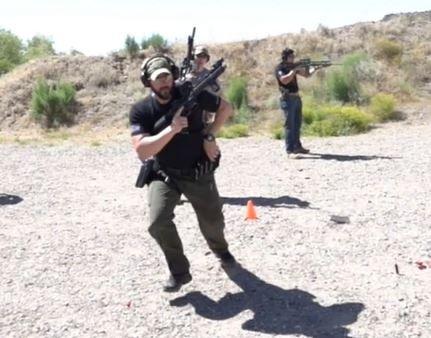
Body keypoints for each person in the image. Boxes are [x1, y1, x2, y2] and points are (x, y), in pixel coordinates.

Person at [129, 55, 236, 292]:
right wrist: (172, 129)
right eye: (158, 79)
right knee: (157, 223)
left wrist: (209, 135)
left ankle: (220, 249)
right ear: (148, 82)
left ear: (174, 75)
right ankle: (179, 271)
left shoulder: (191, 93)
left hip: (198, 170)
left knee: (212, 221)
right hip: (165, 173)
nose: (164, 82)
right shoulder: (141, 110)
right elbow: (142, 151)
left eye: (167, 76)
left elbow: (226, 108)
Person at [275, 48, 316, 157]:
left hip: (296, 98)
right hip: (287, 98)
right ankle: (290, 150)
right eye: (291, 57)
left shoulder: (293, 67)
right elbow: (284, 80)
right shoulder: (280, 68)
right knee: (289, 125)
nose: (293, 59)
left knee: (297, 124)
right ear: (285, 58)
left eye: (293, 57)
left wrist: (312, 68)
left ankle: (297, 146)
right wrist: (294, 70)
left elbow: (306, 75)